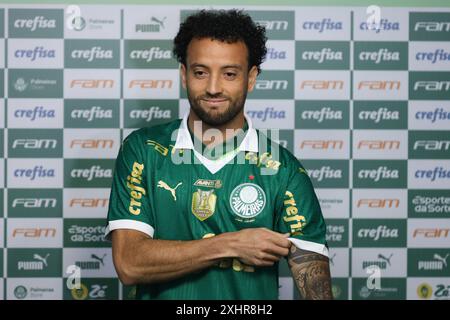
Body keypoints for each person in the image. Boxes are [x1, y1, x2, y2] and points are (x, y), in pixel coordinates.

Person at [106, 9, 332, 300]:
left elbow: (316, 286)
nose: (213, 88)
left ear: (250, 78)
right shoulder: (143, 150)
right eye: (201, 72)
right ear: (184, 75)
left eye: (229, 74)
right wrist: (232, 245)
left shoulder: (283, 169)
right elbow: (129, 263)